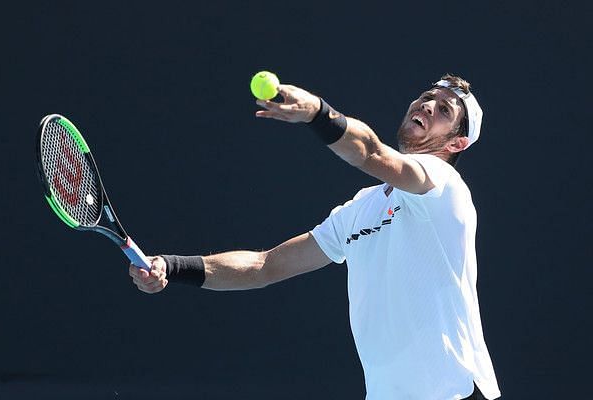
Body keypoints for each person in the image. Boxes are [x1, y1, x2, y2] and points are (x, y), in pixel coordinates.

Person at [129, 74, 501, 400]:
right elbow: (265, 266)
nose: (428, 104)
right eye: (427, 97)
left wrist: (316, 113)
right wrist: (172, 267)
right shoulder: (359, 209)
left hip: (456, 393)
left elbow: (370, 153)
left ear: (456, 144)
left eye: (445, 111)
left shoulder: (443, 185)